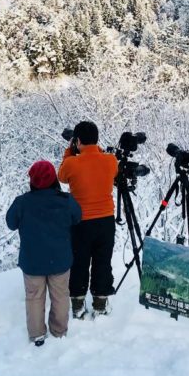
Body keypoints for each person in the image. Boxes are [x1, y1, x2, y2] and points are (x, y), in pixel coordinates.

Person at [6, 160, 82, 346]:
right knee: (61, 296)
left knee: (34, 297)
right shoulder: (66, 201)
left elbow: (10, 223)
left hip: (32, 262)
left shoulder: (22, 202)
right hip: (60, 260)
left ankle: (37, 334)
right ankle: (59, 331)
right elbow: (78, 217)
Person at [57, 120, 119, 319]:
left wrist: (70, 151)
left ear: (77, 141)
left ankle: (77, 303)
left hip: (80, 222)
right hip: (106, 221)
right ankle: (100, 302)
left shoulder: (71, 163)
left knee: (79, 261)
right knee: (103, 261)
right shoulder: (111, 161)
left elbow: (61, 177)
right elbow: (103, 161)